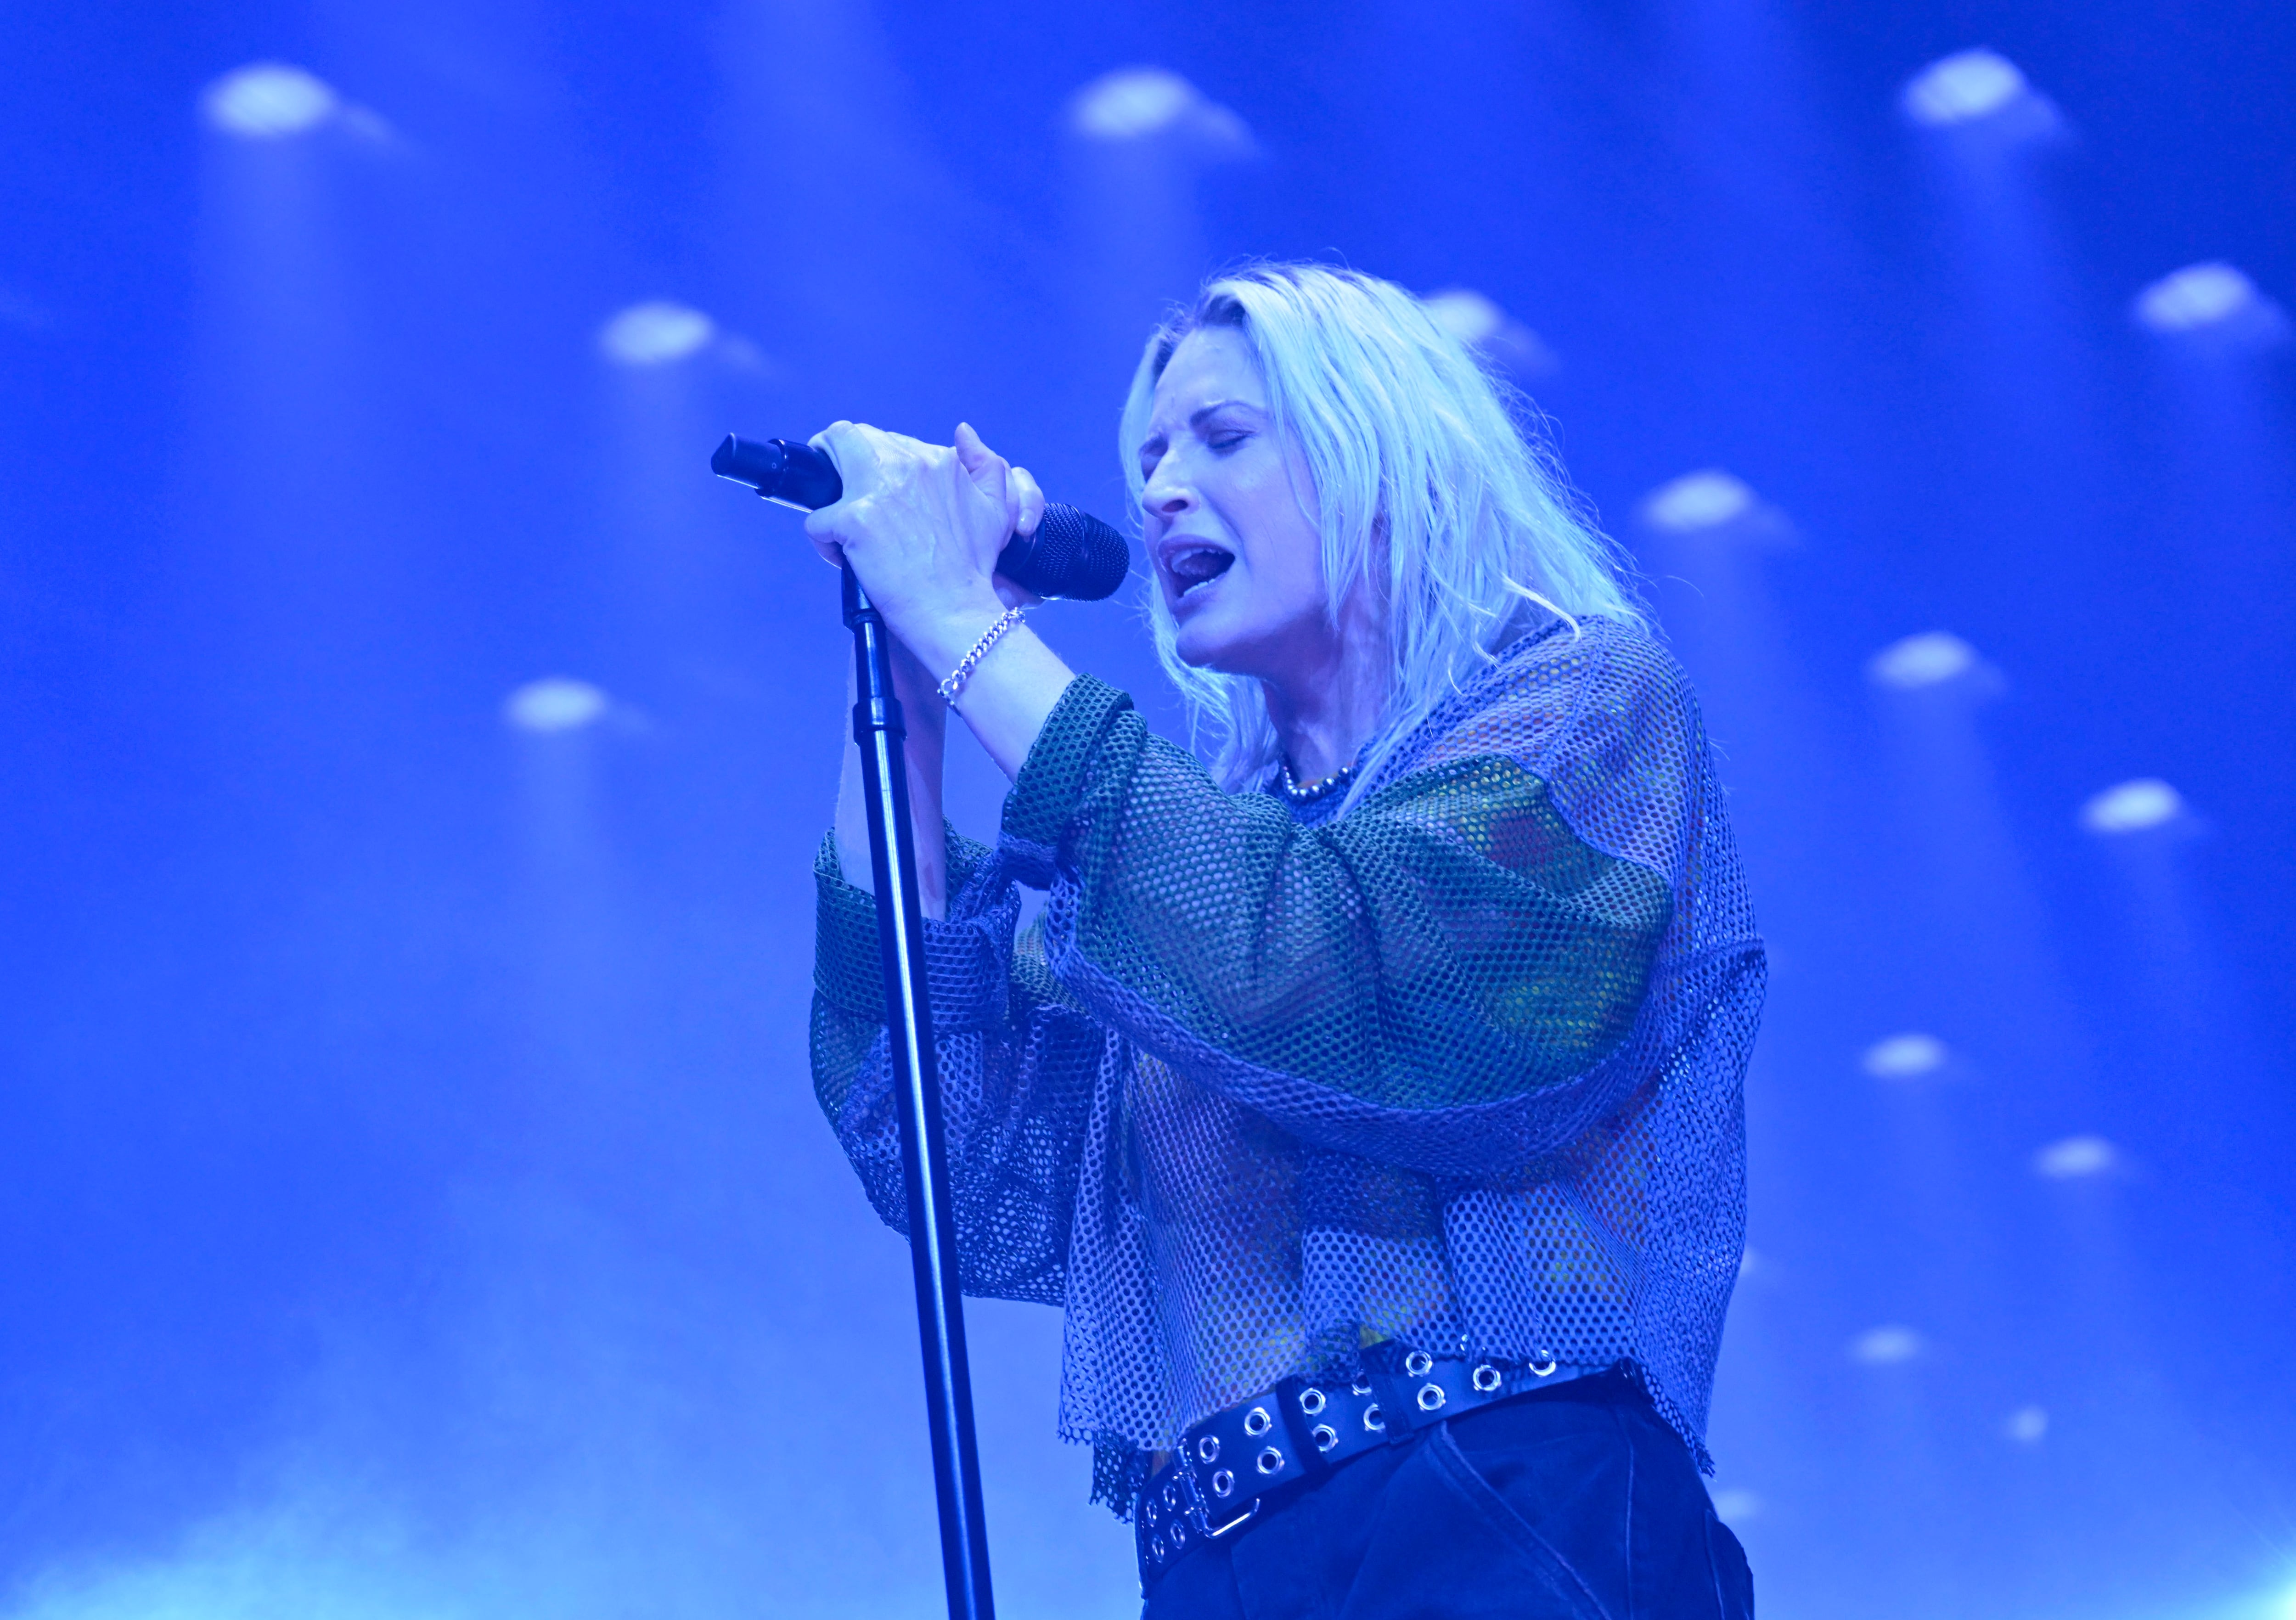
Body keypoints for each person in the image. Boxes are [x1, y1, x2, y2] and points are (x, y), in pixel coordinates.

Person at [804, 263, 1763, 1619]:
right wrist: (910, 662)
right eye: (1145, 456)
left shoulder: (1586, 708)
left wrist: (976, 630)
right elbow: (952, 1153)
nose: (1159, 490)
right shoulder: (1179, 897)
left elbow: (1326, 966)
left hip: (1498, 1513)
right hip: (1222, 1565)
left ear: (1380, 450)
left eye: (1223, 437)